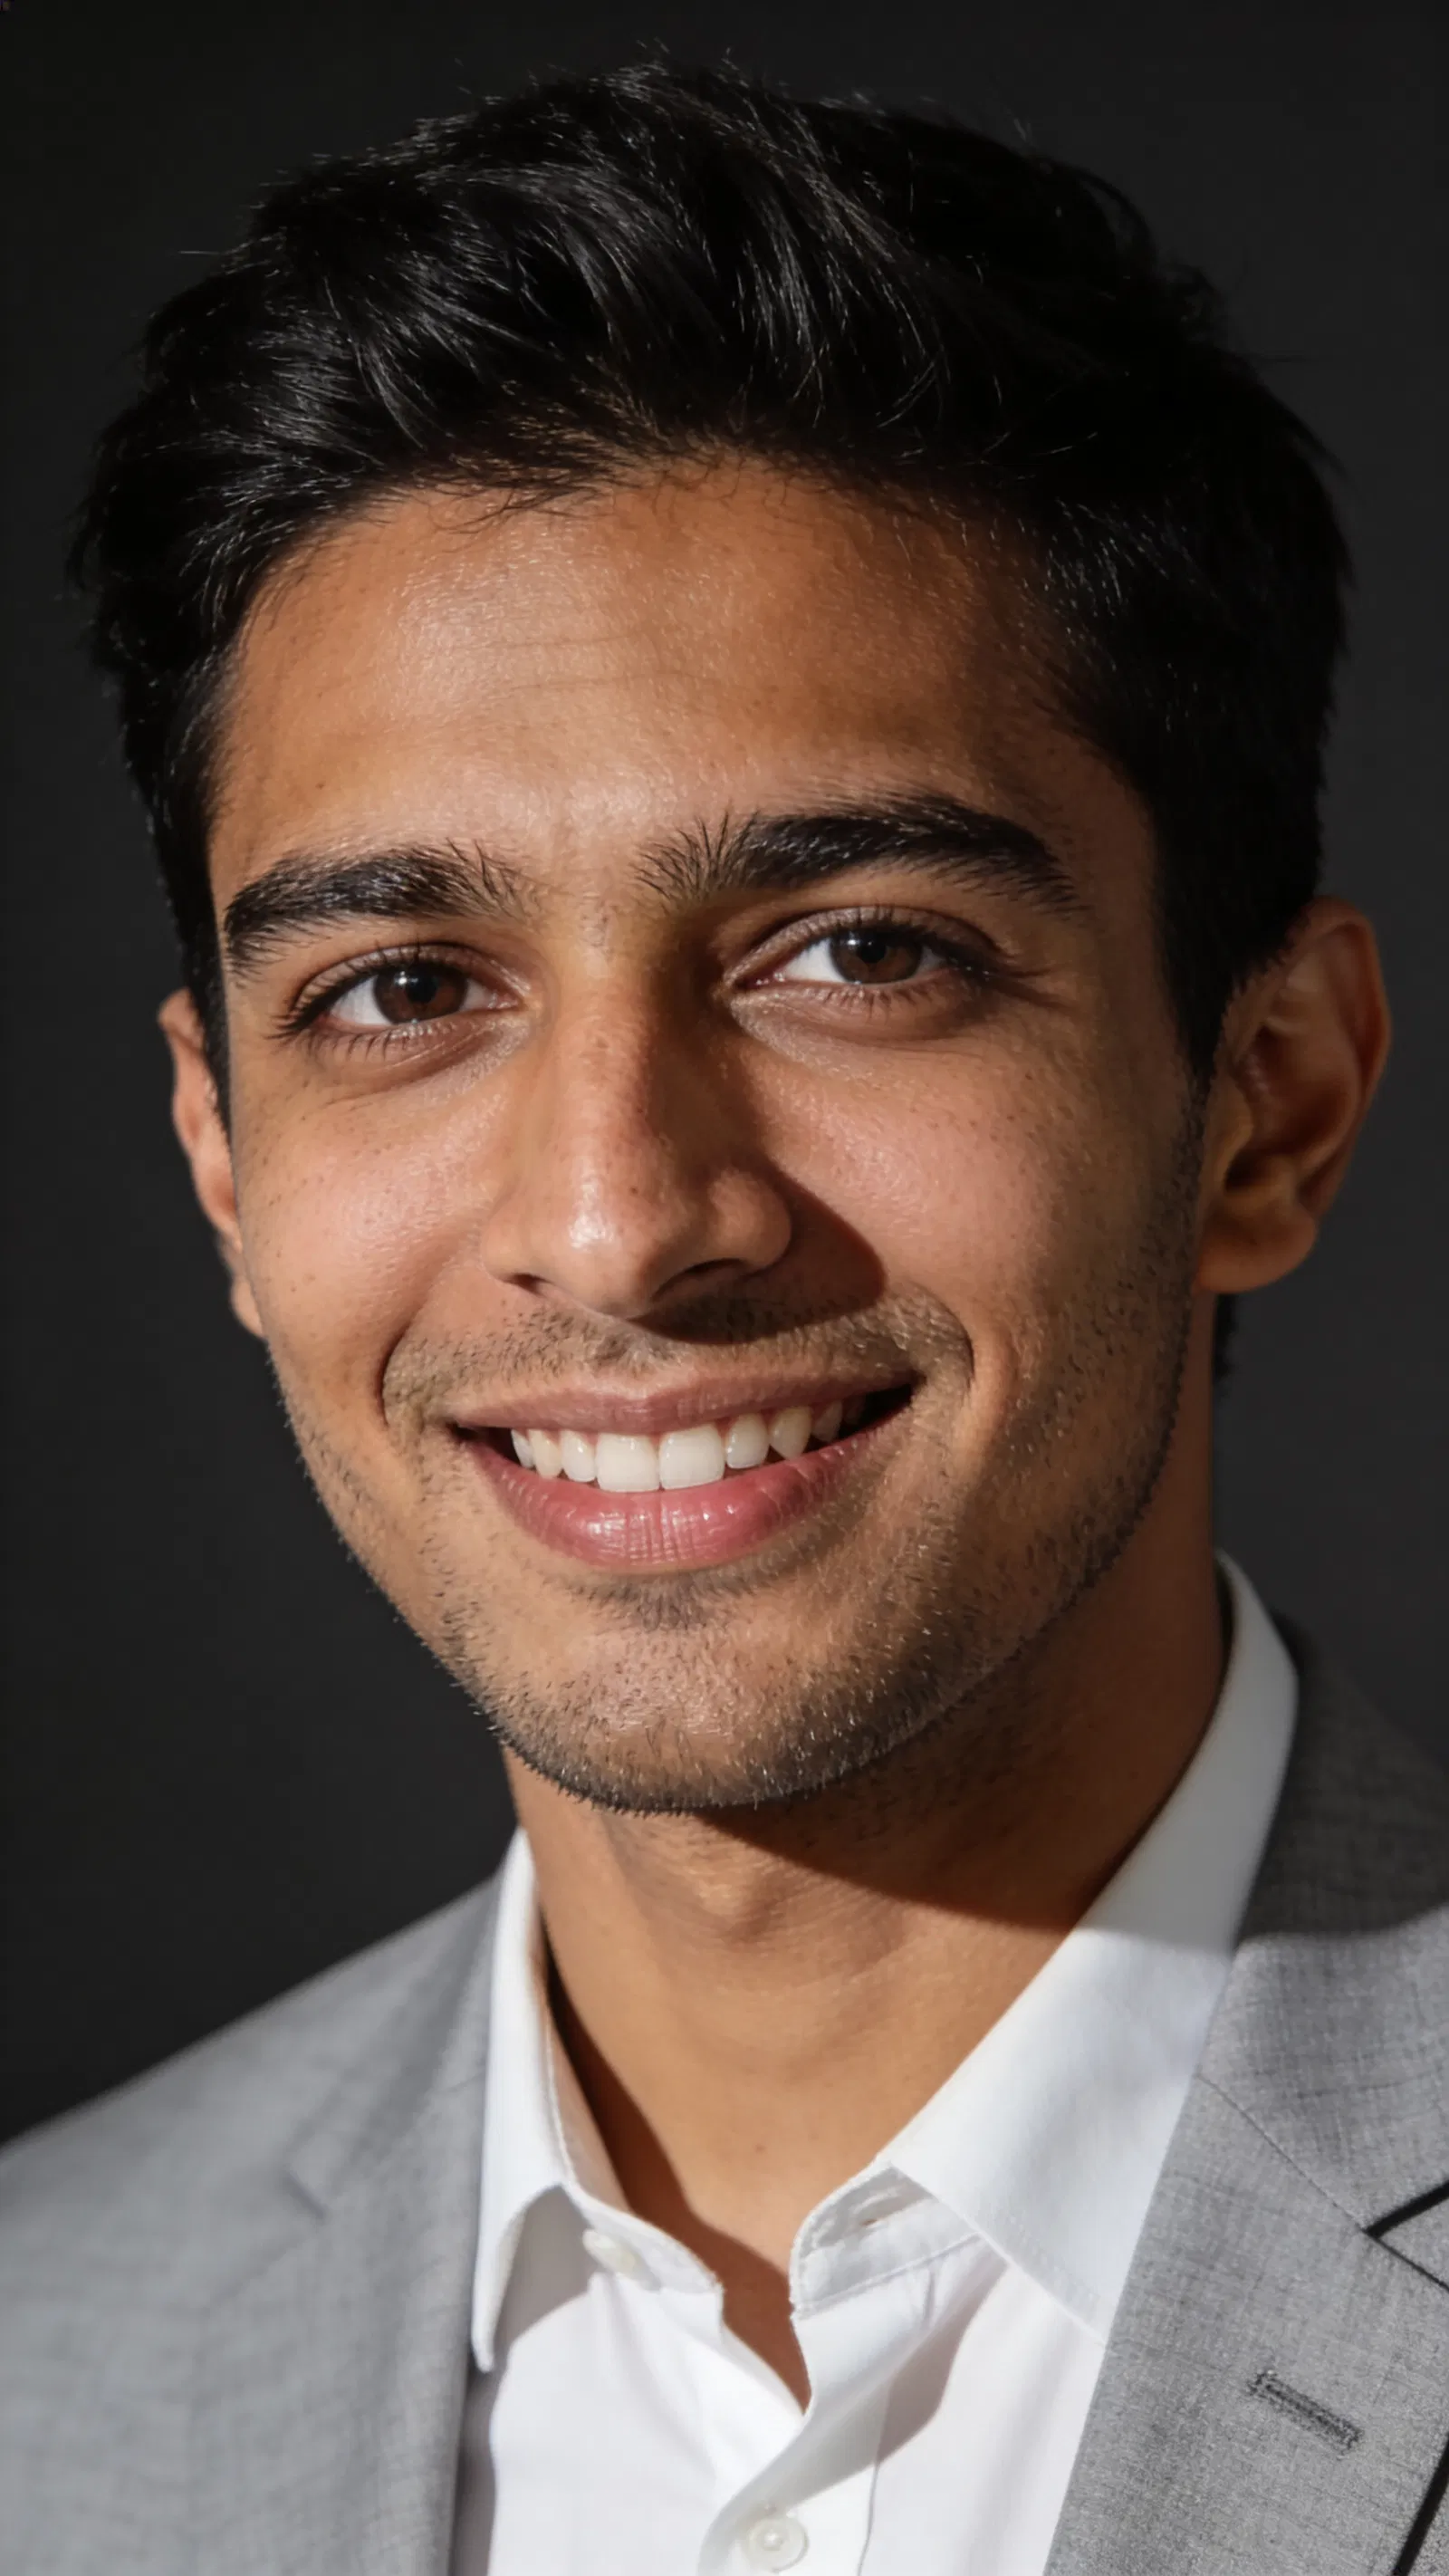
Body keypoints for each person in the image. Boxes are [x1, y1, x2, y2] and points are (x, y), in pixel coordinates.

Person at [2, 58, 1444, 2576]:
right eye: (402, 986)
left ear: (1272, 1103)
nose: (619, 1217)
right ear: (222, 1163)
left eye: (860, 951)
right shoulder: (46, 2346)